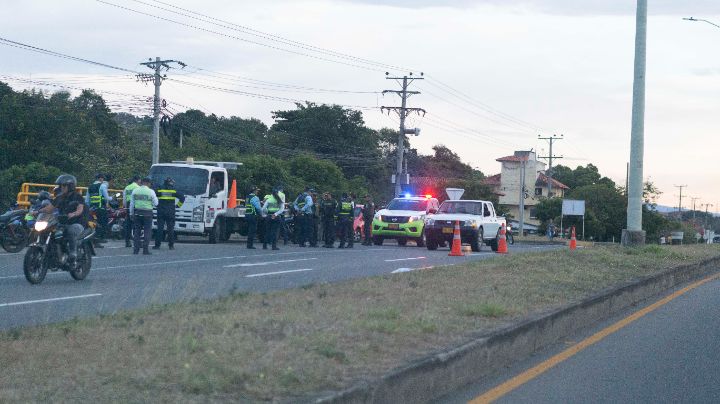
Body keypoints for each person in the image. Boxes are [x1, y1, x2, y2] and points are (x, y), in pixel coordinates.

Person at [37, 174, 87, 265]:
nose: (61, 188)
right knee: (51, 231)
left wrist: (74, 214)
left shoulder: (77, 197)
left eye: (64, 186)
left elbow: (80, 209)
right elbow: (49, 208)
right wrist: (37, 211)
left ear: (70, 186)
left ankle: (73, 253)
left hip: (77, 222)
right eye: (60, 186)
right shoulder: (59, 197)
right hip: (62, 222)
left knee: (71, 231)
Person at [154, 177, 185, 250]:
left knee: (159, 229)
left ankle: (157, 245)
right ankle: (171, 245)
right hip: (170, 211)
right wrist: (178, 206)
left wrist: (156, 205)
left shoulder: (159, 189)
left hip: (161, 211)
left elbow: (154, 196)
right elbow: (182, 197)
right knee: (170, 229)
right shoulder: (174, 190)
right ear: (170, 182)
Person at [130, 177, 158, 255]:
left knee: (137, 232)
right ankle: (145, 250)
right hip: (148, 214)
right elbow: (156, 203)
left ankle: (136, 250)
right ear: (148, 183)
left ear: (141, 182)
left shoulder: (135, 191)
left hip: (137, 213)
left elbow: (132, 204)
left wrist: (131, 213)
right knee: (147, 231)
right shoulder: (151, 191)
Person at [86, 173, 111, 242]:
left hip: (92, 208)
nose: (103, 180)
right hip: (101, 208)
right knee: (103, 222)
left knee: (94, 222)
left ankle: (94, 237)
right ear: (100, 178)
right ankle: (101, 238)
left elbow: (87, 200)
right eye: (103, 178)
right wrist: (112, 198)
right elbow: (107, 198)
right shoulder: (102, 186)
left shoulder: (90, 186)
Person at [122, 175, 141, 247]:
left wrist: (125, 207)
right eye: (140, 180)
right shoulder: (138, 188)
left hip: (128, 206)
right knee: (137, 225)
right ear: (137, 180)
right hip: (135, 206)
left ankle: (127, 242)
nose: (140, 182)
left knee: (128, 225)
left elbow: (124, 198)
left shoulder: (127, 187)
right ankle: (137, 242)